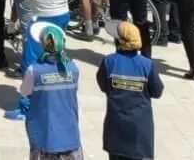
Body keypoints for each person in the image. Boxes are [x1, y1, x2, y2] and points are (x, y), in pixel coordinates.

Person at [97, 20, 164, 158]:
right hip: (139, 130)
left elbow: (103, 86)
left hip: (116, 127)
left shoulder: (109, 62)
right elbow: (157, 92)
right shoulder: (147, 65)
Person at [18, 23, 82, 160]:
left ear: (42, 44)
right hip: (70, 136)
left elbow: (24, 93)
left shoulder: (33, 70)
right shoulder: (74, 69)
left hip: (44, 136)